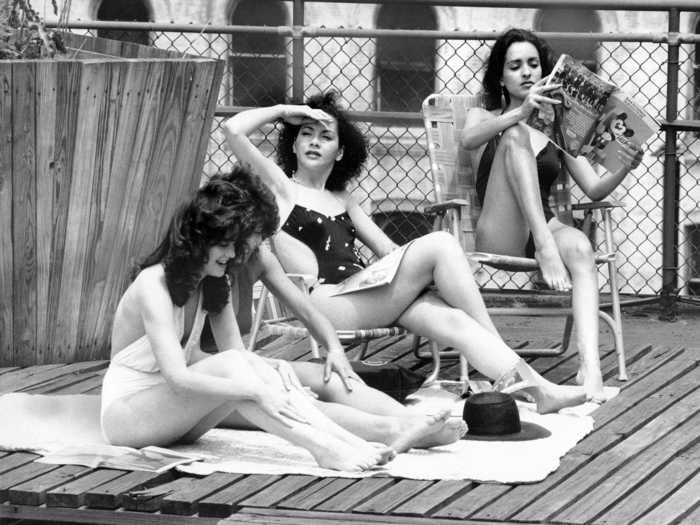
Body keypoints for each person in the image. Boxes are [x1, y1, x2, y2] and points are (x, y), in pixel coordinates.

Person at [223, 92, 589, 414]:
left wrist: (432, 277)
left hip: (366, 291)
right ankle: (520, 365)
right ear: (294, 143)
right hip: (325, 303)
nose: (314, 142)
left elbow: (388, 252)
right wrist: (289, 110)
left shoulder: (344, 200)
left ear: (341, 151)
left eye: (325, 135)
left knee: (455, 322)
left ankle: (536, 389)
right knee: (443, 244)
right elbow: (234, 130)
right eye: (306, 134)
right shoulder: (282, 189)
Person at [100, 166, 470, 473]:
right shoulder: (154, 283)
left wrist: (271, 379)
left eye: (236, 245)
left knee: (257, 369)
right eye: (225, 245)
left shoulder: (211, 281)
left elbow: (240, 358)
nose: (232, 255)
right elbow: (178, 379)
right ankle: (324, 448)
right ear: (198, 239)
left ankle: (349, 440)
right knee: (245, 374)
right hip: (129, 418)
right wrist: (256, 387)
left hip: (175, 420)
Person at [459, 28, 643, 401]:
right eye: (515, 66)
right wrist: (520, 114)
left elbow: (593, 188)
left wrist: (626, 164)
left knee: (579, 248)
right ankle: (545, 245)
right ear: (501, 77)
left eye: (533, 64)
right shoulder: (484, 114)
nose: (526, 72)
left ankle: (589, 370)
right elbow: (468, 141)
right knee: (514, 136)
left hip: (544, 221)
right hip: (502, 229)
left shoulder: (558, 126)